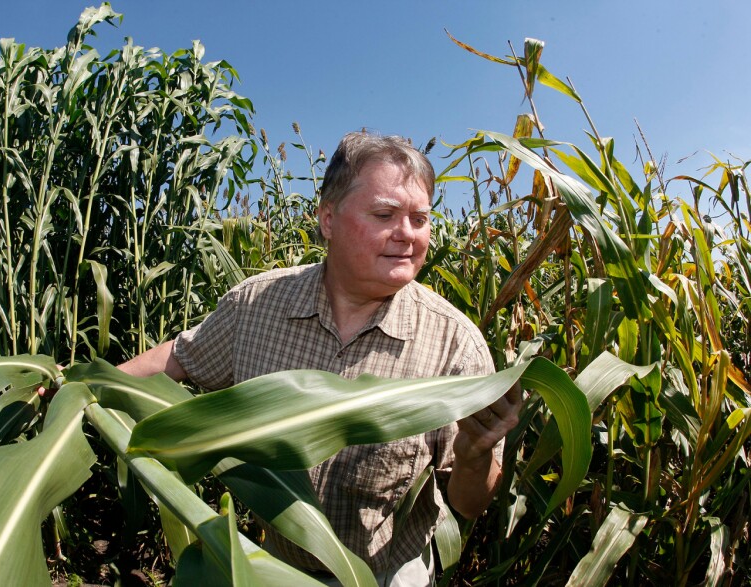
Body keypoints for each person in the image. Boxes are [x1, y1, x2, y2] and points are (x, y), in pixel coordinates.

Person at [119, 131, 522, 586]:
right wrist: (89, 384)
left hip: (385, 576)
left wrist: (473, 456)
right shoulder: (257, 305)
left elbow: (469, 503)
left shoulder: (456, 346)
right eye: (385, 214)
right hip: (273, 568)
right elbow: (180, 356)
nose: (408, 235)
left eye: (420, 218)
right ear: (328, 219)